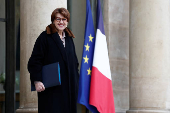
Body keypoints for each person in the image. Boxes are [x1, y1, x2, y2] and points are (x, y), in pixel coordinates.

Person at [28, 8, 79, 113]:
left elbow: (74, 62)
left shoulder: (69, 39)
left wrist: (77, 82)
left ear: (67, 21)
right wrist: (37, 81)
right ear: (53, 20)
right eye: (58, 19)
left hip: (69, 88)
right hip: (51, 89)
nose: (61, 22)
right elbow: (35, 61)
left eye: (64, 19)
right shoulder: (44, 37)